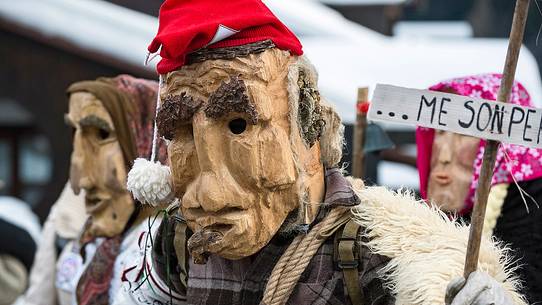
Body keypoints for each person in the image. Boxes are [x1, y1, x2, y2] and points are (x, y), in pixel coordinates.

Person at [118, 1, 529, 304]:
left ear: (307, 130)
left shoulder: (375, 257)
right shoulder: (176, 242)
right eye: (181, 133)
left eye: (239, 126)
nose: (208, 195)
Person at [21, 74, 166, 305]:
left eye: (101, 134)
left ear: (146, 137)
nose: (80, 180)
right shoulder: (78, 223)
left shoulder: (168, 244)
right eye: (75, 134)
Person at [417, 73, 542, 304]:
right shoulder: (409, 218)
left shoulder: (533, 210)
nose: (444, 155)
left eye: (465, 133)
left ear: (507, 148)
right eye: (440, 132)